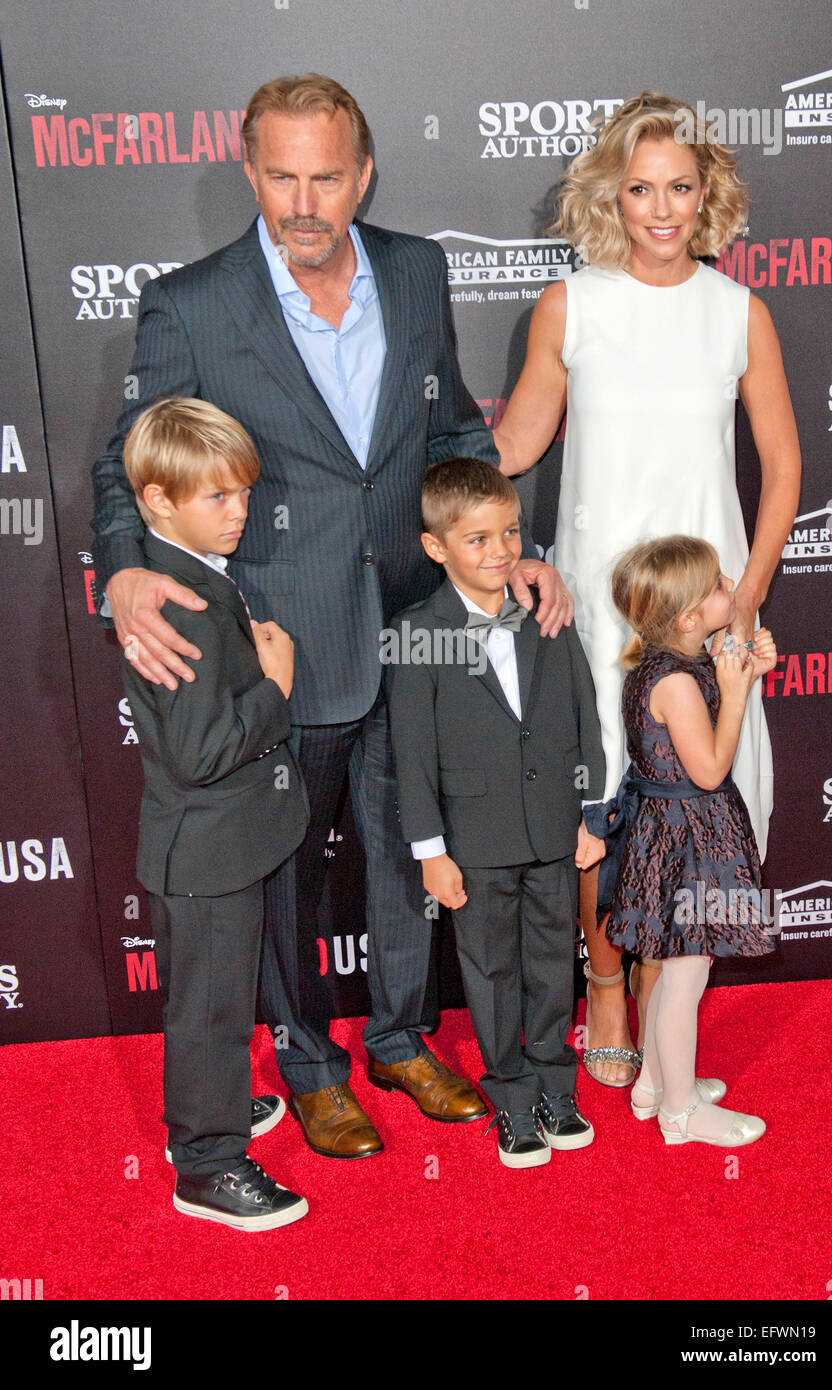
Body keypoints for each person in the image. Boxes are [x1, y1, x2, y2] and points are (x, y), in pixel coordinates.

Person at [91, 74, 573, 1159]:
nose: (303, 203)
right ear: (249, 170)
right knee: (285, 869)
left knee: (413, 851)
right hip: (281, 637)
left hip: (414, 621)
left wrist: (506, 547)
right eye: (280, 176)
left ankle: (400, 1037)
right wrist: (122, 569)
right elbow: (126, 470)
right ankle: (309, 1062)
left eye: (325, 177)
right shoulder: (192, 303)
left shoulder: (415, 268)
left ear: (360, 174)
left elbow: (450, 428)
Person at [493, 92, 800, 1087]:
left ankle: (675, 994)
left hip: (705, 607)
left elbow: (781, 464)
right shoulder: (571, 304)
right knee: (604, 800)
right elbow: (519, 442)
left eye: (678, 187)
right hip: (592, 604)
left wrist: (744, 596)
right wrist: (419, 488)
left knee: (707, 796)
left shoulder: (736, 312)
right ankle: (607, 978)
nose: (660, 209)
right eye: (639, 189)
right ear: (608, 196)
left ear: (705, 191)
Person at [121, 397, 309, 1228]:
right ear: (160, 500)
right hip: (206, 850)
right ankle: (205, 1162)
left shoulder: (186, 573)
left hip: (225, 842)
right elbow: (201, 754)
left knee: (217, 999)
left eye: (242, 493)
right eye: (217, 499)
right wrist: (277, 689)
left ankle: (212, 1106)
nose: (239, 514)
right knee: (209, 1008)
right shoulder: (181, 602)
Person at [386, 459, 605, 1166]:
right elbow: (411, 755)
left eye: (509, 532)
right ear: (436, 547)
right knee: (491, 970)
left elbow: (583, 713)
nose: (500, 550)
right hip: (473, 842)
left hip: (549, 827)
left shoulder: (546, 613)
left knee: (550, 963)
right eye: (477, 539)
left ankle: (555, 1084)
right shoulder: (417, 632)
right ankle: (510, 1095)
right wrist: (430, 852)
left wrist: (587, 809)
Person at [581, 535, 777, 1145]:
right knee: (685, 976)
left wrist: (742, 665)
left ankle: (654, 1088)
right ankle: (682, 1112)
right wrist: (740, 691)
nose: (730, 589)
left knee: (672, 969)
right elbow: (712, 770)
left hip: (671, 835)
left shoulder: (669, 666)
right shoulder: (679, 684)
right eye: (719, 585)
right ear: (690, 617)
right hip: (690, 841)